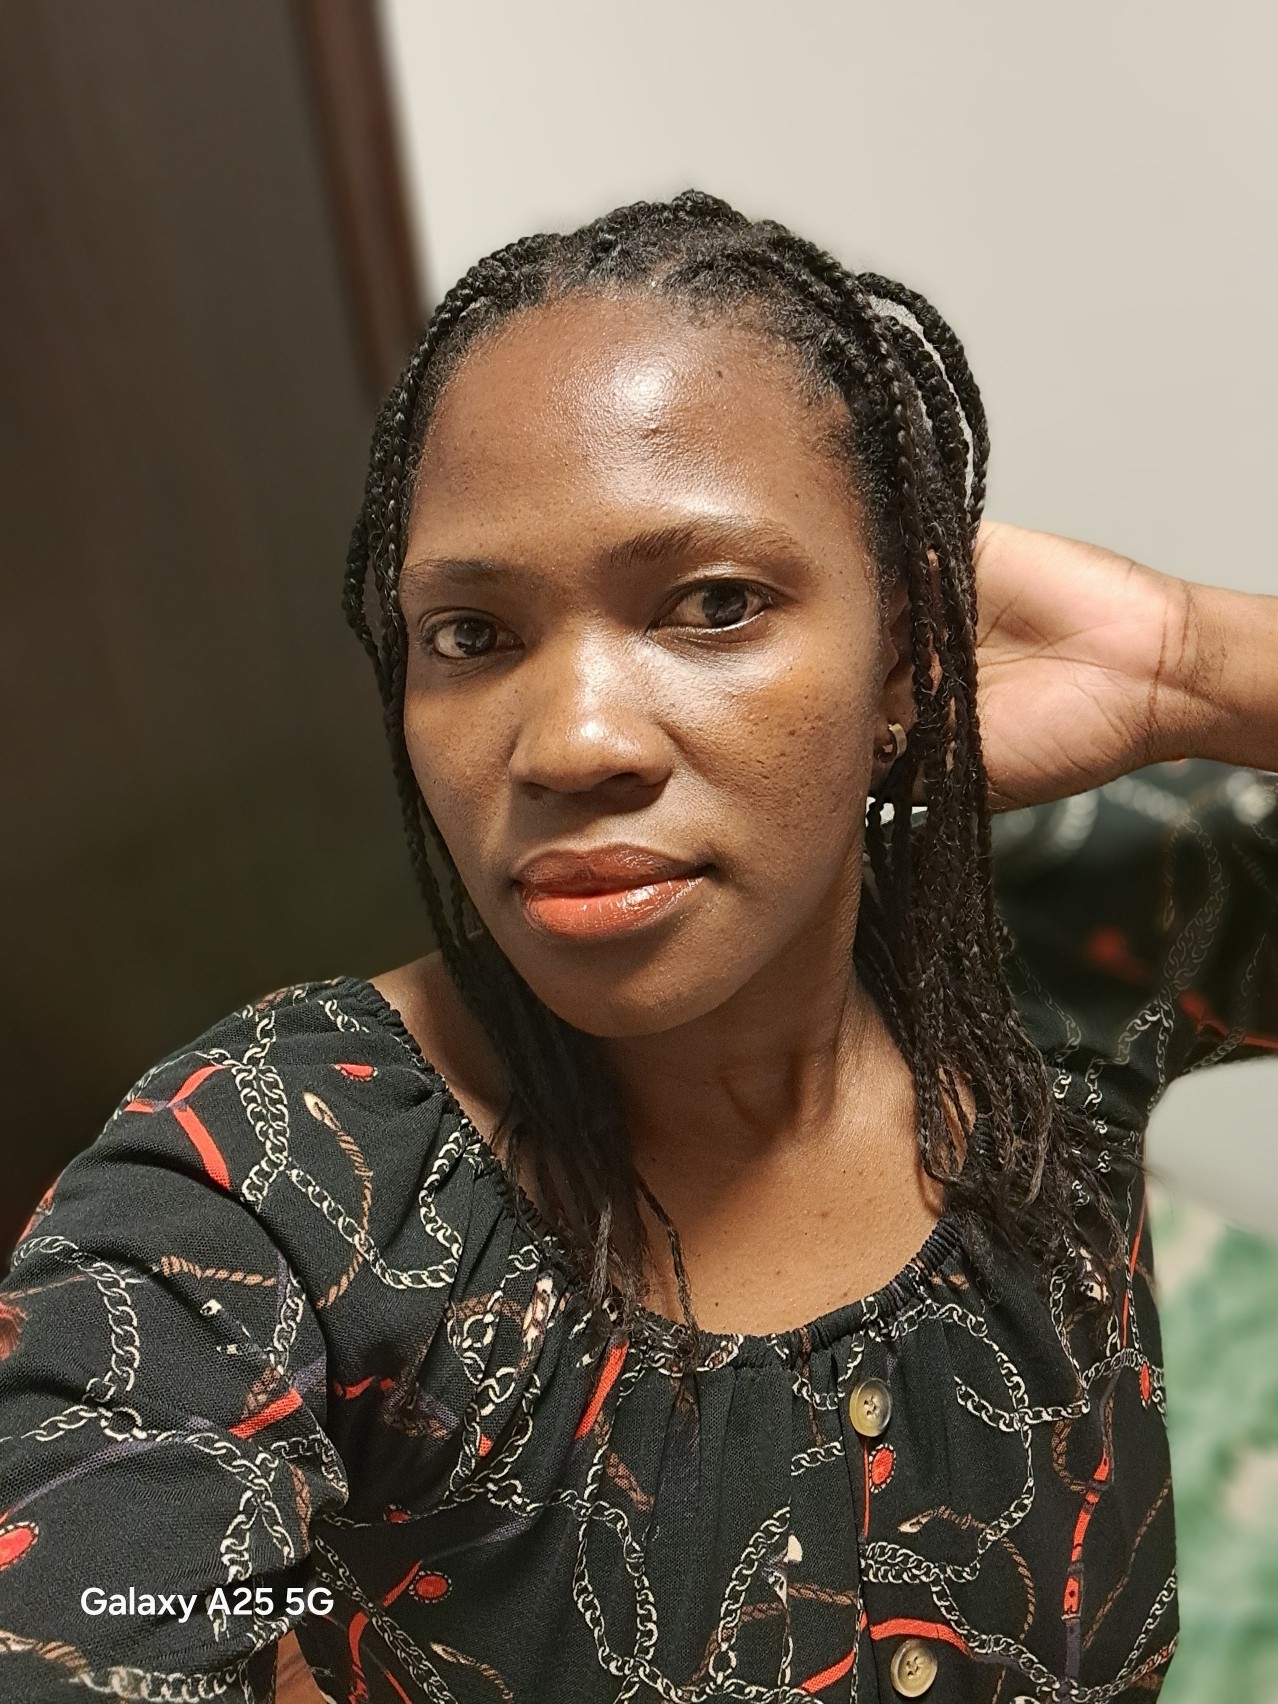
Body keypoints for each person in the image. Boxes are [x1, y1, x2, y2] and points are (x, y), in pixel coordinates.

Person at [1, 190, 1275, 1703]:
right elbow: (96, 1593)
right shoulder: (268, 1174)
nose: (573, 743)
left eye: (713, 605)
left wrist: (1192, 660)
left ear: (909, 657)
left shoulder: (1064, 937)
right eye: (471, 635)